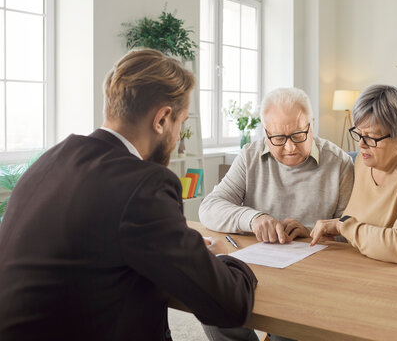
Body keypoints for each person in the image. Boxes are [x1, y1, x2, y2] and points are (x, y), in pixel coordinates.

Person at [0, 49, 257, 341]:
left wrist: (183, 245)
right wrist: (226, 261)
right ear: (162, 119)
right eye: (181, 124)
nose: (177, 138)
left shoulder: (51, 160)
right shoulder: (145, 185)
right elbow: (229, 306)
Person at [199, 87, 354, 341]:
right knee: (211, 305)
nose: (290, 147)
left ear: (312, 125)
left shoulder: (340, 163)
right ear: (265, 132)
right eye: (279, 138)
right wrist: (253, 218)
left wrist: (311, 231)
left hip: (312, 281)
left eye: (298, 135)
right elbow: (209, 207)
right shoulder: (250, 155)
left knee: (289, 332)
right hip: (257, 268)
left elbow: (351, 232)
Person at [310, 85, 397, 264]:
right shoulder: (364, 162)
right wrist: (313, 230)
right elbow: (360, 227)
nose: (361, 144)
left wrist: (342, 226)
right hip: (373, 267)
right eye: (359, 133)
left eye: (371, 137)